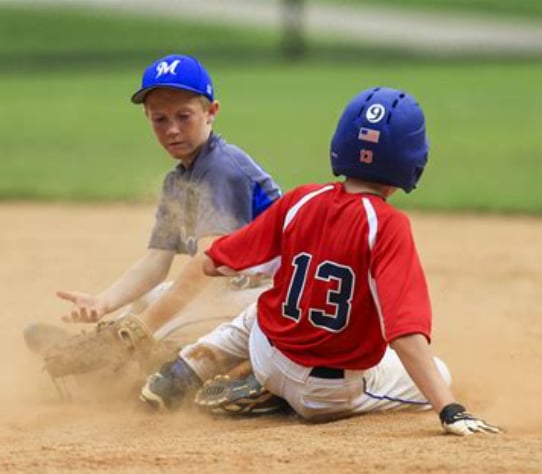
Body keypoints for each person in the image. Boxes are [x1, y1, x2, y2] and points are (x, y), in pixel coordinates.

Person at [139, 86, 501, 436]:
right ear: (412, 158)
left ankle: (182, 372)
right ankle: (279, 400)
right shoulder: (388, 226)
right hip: (324, 395)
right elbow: (405, 335)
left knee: (258, 314)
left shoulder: (303, 199)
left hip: (267, 357)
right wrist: (450, 409)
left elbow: (214, 262)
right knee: (440, 372)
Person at [24, 54, 281, 381]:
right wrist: (105, 303)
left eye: (184, 116)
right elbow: (156, 262)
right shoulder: (179, 180)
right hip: (239, 290)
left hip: (280, 296)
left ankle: (127, 371)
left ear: (211, 112)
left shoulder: (222, 168)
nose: (173, 129)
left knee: (165, 327)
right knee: (150, 301)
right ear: (147, 117)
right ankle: (112, 369)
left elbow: (205, 267)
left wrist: (136, 330)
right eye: (160, 119)